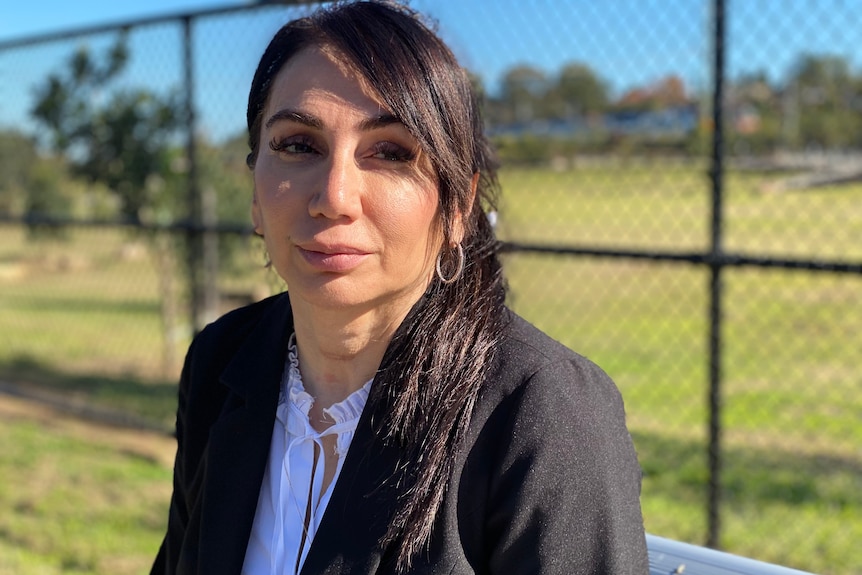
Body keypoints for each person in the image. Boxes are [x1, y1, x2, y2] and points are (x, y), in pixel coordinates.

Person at [151, 1, 648, 573]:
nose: (335, 196)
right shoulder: (223, 360)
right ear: (255, 193)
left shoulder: (543, 412)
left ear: (458, 206)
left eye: (389, 152)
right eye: (297, 145)